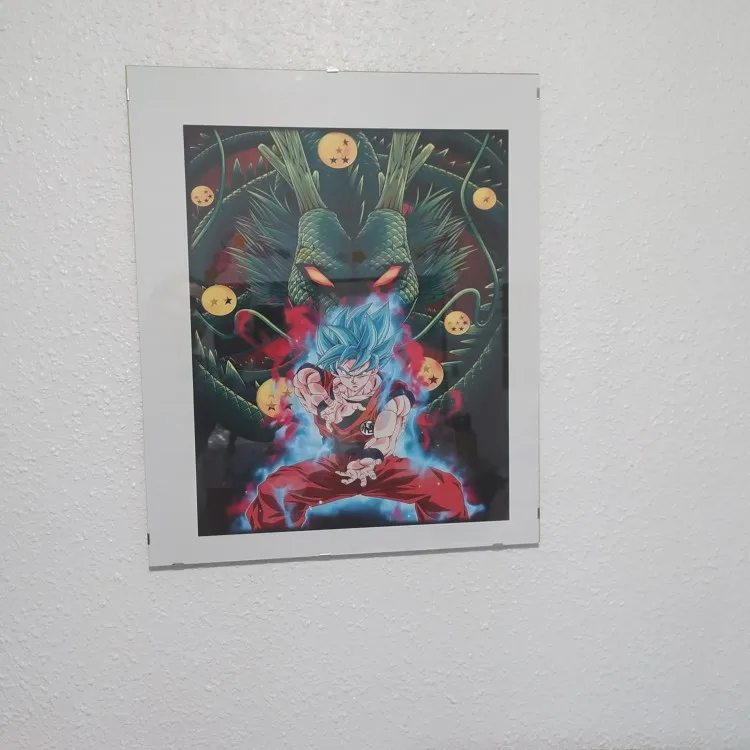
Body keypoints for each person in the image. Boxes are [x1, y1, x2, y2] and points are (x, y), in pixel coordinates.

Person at [245, 303, 468, 531]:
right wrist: (325, 405)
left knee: (445, 491)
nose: (351, 381)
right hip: (330, 466)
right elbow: (306, 382)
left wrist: (371, 456)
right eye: (344, 372)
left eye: (360, 373)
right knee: (273, 492)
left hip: (379, 467)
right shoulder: (320, 378)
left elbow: (387, 430)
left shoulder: (394, 394)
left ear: (374, 367)